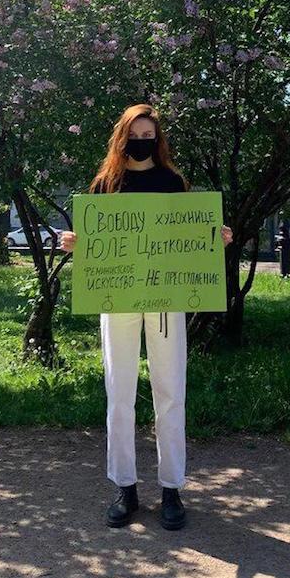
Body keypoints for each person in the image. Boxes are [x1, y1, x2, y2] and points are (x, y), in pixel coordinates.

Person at [59, 103, 232, 531]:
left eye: (147, 134)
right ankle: (126, 487)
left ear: (158, 138)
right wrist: (73, 243)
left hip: (165, 297)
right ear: (123, 137)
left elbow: (187, 236)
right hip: (116, 296)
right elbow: (93, 241)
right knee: (119, 391)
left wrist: (215, 237)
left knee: (170, 390)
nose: (141, 141)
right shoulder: (107, 183)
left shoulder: (172, 182)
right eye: (134, 135)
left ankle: (172, 489)